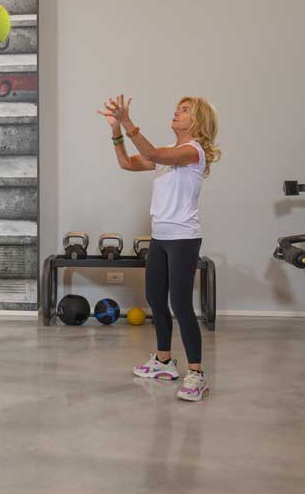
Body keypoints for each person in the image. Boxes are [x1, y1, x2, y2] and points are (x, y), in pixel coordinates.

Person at [98, 94, 221, 402]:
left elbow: (151, 152)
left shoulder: (191, 152)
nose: (176, 114)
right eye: (177, 109)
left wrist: (128, 122)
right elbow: (127, 163)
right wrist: (116, 129)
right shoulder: (168, 156)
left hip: (183, 238)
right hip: (160, 237)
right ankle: (164, 361)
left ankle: (197, 374)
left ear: (197, 121)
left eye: (184, 111)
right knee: (155, 297)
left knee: (180, 304)